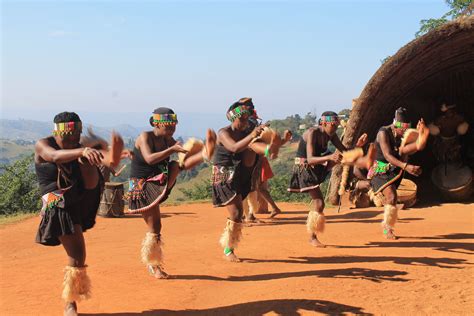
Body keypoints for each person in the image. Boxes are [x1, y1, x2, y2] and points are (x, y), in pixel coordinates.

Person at [34, 111, 123, 316]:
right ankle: (70, 304)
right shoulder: (43, 144)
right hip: (57, 205)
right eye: (69, 134)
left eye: (78, 134)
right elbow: (54, 156)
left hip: (79, 200)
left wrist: (102, 155)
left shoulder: (81, 148)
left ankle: (71, 300)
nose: (74, 138)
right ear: (58, 132)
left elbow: (96, 177)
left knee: (79, 256)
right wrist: (82, 151)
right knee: (77, 255)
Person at [127, 107, 215, 278]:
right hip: (142, 185)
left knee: (176, 165)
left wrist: (192, 151)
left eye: (173, 125)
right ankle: (153, 265)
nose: (171, 129)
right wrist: (172, 150)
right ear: (157, 124)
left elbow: (180, 158)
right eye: (168, 126)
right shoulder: (145, 137)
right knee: (155, 226)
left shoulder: (169, 140)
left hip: (159, 181)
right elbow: (149, 158)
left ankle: (204, 155)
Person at [288, 111, 369, 247]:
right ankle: (312, 237)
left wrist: (358, 146)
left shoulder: (331, 135)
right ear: (324, 123)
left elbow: (345, 152)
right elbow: (310, 159)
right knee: (319, 203)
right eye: (332, 125)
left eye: (336, 125)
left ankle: (312, 237)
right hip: (305, 168)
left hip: (317, 166)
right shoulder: (313, 133)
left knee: (340, 157)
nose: (334, 128)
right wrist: (330, 158)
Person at [212, 99, 280, 262]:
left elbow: (252, 145)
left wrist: (269, 145)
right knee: (236, 213)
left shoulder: (247, 131)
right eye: (241, 119)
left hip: (242, 173)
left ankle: (229, 247)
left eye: (247, 118)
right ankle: (229, 249)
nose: (245, 122)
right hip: (224, 176)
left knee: (238, 214)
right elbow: (234, 148)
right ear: (232, 118)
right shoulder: (223, 132)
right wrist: (252, 135)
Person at [368, 107, 429, 239]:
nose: (404, 132)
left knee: (393, 198)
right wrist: (406, 166)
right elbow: (388, 156)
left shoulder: (403, 135)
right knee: (392, 196)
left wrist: (421, 134)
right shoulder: (383, 132)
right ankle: (386, 229)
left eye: (407, 129)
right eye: (403, 129)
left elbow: (414, 148)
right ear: (395, 125)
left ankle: (387, 226)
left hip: (395, 170)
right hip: (380, 170)